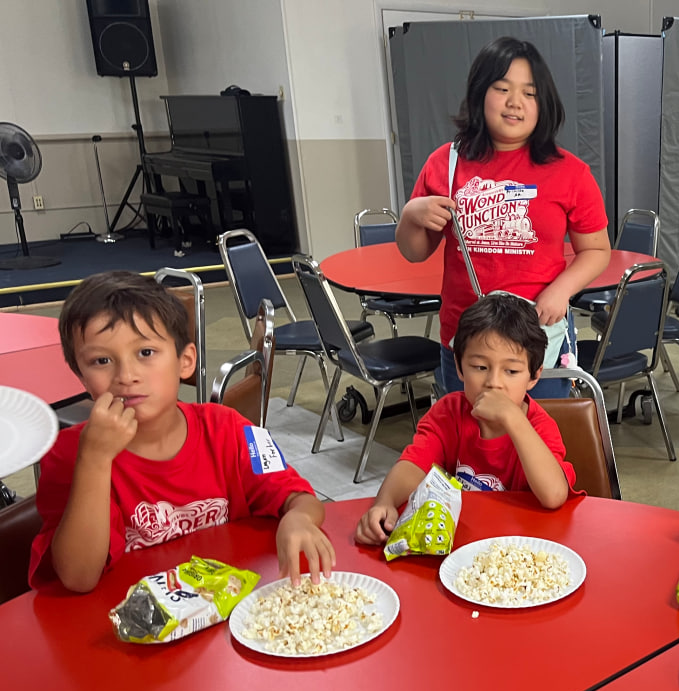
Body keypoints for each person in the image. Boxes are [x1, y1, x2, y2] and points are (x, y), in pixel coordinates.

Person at [29, 271, 333, 593]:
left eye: (146, 353)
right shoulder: (69, 454)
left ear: (185, 361)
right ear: (81, 377)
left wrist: (298, 518)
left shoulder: (232, 429)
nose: (126, 376)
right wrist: (94, 461)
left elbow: (301, 498)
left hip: (228, 604)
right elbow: (78, 577)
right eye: (101, 360)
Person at [395, 36, 610, 400]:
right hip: (467, 339)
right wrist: (411, 214)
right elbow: (414, 252)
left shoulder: (570, 172)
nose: (515, 102)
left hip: (536, 337)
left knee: (536, 433)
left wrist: (561, 291)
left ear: (544, 103)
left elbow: (597, 250)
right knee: (469, 432)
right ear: (480, 93)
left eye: (529, 93)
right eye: (502, 88)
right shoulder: (446, 163)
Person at [356, 294, 575, 546]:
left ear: (534, 376)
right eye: (480, 367)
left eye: (512, 371)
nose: (494, 382)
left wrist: (514, 420)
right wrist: (385, 502)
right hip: (463, 543)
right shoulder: (448, 412)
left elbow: (553, 496)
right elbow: (414, 464)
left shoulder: (539, 427)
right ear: (459, 368)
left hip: (520, 546)